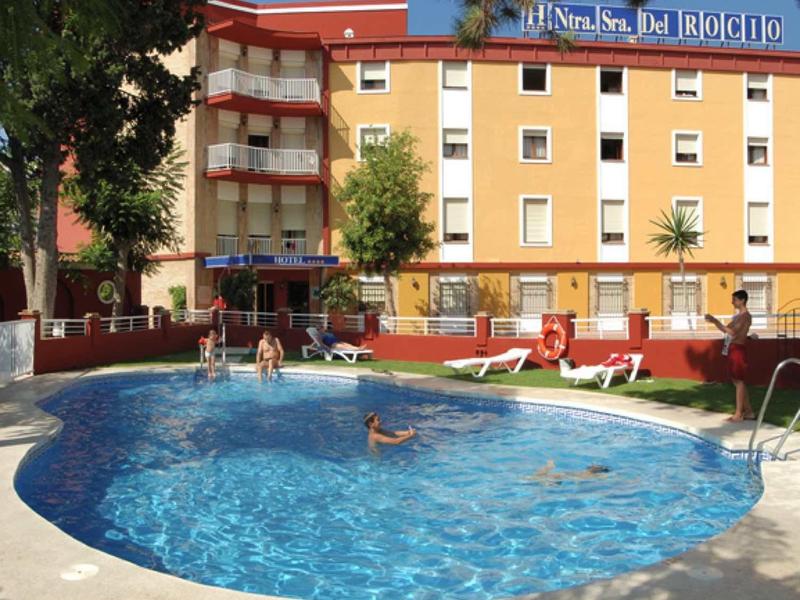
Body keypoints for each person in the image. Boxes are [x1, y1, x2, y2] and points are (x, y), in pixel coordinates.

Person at [705, 290, 755, 422]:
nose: (732, 302)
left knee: (739, 382)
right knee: (737, 381)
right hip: (733, 348)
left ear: (742, 300)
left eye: (734, 300)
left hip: (738, 349)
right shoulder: (738, 317)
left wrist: (716, 320)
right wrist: (714, 322)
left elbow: (732, 332)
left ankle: (738, 414)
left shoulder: (745, 317)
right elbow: (726, 330)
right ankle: (749, 412)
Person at [526, 460, 610, 484]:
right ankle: (549, 467)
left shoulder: (596, 476)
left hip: (565, 478)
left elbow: (606, 477)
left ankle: (549, 466)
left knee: (539, 477)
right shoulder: (586, 473)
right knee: (539, 477)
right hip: (565, 477)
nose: (593, 465)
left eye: (596, 465)